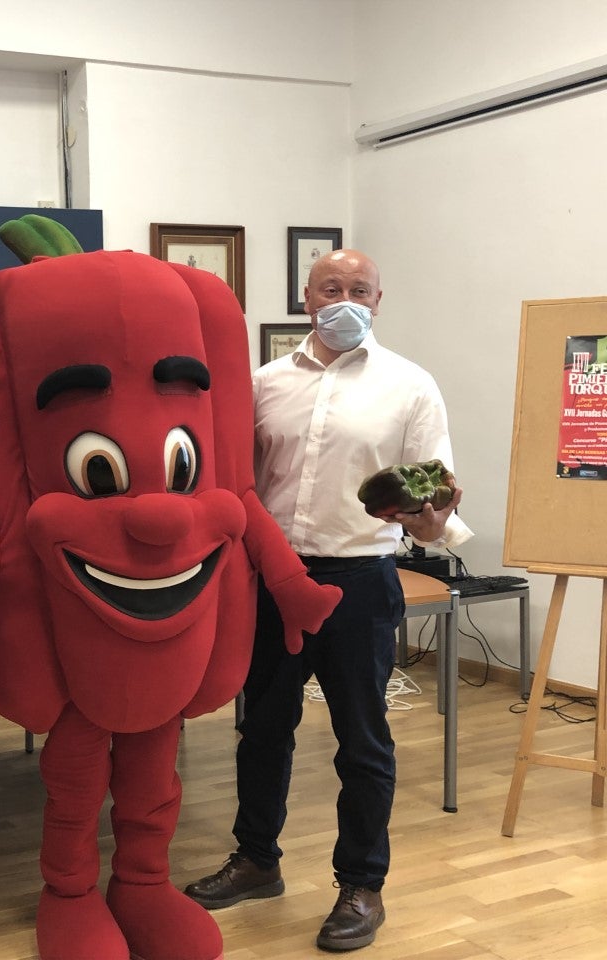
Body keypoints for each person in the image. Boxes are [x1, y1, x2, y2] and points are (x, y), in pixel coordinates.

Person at [184, 249, 473, 952]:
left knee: (362, 741)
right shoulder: (263, 385)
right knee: (261, 730)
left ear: (379, 299)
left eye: (359, 290)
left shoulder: (410, 386)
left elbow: (436, 499)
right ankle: (257, 859)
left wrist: (433, 521)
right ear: (306, 296)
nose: (345, 299)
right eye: (331, 287)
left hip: (360, 583)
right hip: (273, 578)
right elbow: (241, 483)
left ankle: (362, 884)